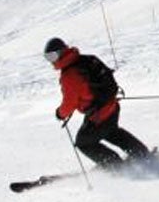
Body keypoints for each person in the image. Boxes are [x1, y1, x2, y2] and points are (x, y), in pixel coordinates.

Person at [44, 37, 151, 167]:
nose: (52, 62)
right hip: (111, 106)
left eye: (52, 56)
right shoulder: (86, 59)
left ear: (61, 52)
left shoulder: (69, 75)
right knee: (111, 132)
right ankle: (141, 153)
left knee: (84, 142)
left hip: (99, 114)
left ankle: (114, 165)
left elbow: (69, 102)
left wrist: (60, 114)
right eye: (48, 58)